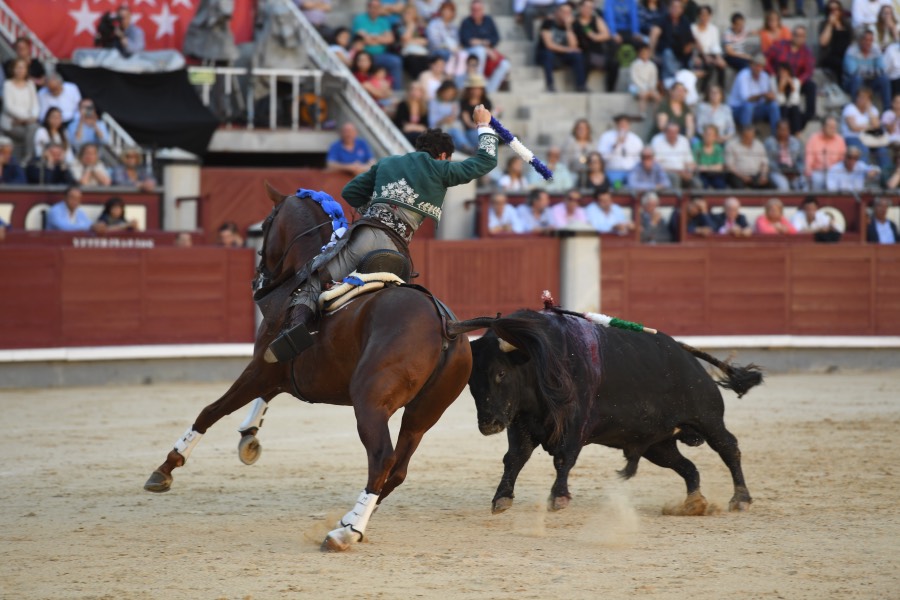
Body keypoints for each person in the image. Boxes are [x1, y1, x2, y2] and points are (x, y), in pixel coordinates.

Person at [265, 107, 500, 363]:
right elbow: (486, 161)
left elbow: (351, 192)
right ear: (443, 155)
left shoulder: (387, 163)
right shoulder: (441, 169)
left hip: (367, 238)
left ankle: (294, 334)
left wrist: (374, 206)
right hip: (398, 255)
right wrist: (484, 126)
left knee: (312, 278)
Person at [766, 26, 816, 131]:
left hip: (796, 80)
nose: (799, 38)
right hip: (778, 78)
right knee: (785, 103)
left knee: (811, 86)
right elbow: (766, 58)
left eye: (802, 36)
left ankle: (809, 114)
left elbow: (809, 71)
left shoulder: (807, 52)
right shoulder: (780, 45)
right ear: (792, 35)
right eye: (797, 35)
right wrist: (773, 74)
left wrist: (798, 81)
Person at [459, 0, 510, 93]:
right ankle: (478, 80)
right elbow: (467, 40)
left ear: (482, 10)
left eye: (478, 10)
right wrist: (483, 44)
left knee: (505, 64)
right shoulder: (466, 22)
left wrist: (483, 45)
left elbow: (496, 38)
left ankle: (489, 90)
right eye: (473, 10)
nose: (476, 12)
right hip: (471, 53)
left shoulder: (488, 20)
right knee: (480, 51)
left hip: (489, 52)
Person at [352, 0, 404, 91]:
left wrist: (372, 37)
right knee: (365, 61)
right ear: (368, 8)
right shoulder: (359, 19)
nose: (375, 10)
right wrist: (380, 38)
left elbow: (390, 39)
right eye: (373, 7)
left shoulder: (383, 21)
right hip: (366, 54)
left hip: (381, 54)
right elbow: (362, 39)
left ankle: (397, 92)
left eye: (377, 8)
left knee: (396, 61)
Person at [537, 3, 587, 93]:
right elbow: (549, 45)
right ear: (557, 12)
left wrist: (568, 27)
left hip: (562, 56)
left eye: (569, 12)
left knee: (578, 56)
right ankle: (550, 85)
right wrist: (568, 50)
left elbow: (574, 46)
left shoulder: (572, 25)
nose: (566, 14)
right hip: (547, 54)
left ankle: (581, 86)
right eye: (564, 12)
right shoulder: (548, 23)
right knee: (548, 54)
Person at [842, 87, 891, 172]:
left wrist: (868, 110)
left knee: (882, 148)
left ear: (869, 100)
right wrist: (869, 126)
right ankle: (861, 174)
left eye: (865, 97)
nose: (861, 99)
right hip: (852, 137)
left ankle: (886, 173)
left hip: (868, 137)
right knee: (864, 149)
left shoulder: (872, 110)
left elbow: (876, 126)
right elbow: (853, 128)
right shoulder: (850, 108)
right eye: (860, 97)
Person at [728, 55, 780, 133]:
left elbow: (766, 98)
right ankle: (745, 134)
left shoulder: (765, 76)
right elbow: (746, 99)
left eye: (761, 67)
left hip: (755, 109)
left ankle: (776, 136)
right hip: (737, 110)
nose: (758, 69)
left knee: (773, 105)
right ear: (751, 65)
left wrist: (770, 97)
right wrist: (762, 95)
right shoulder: (743, 75)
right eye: (756, 65)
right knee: (748, 106)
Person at [574, 0, 618, 92]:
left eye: (590, 8)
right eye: (585, 7)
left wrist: (595, 36)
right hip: (582, 54)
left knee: (614, 63)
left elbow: (606, 34)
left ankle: (610, 90)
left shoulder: (596, 20)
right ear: (580, 8)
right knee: (583, 58)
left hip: (596, 55)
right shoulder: (574, 21)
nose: (588, 10)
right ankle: (581, 86)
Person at [1, 58, 39, 162]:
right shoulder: (7, 85)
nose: (20, 70)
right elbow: (9, 107)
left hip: (27, 123)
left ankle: (28, 157)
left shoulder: (30, 84)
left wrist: (31, 118)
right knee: (33, 130)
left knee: (33, 128)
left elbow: (35, 105)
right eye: (18, 67)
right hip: (11, 123)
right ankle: (29, 157)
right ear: (13, 69)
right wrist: (27, 118)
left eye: (23, 68)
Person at [844, 29, 891, 109]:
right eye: (865, 40)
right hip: (851, 82)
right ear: (860, 40)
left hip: (870, 82)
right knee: (857, 79)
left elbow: (882, 69)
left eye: (870, 40)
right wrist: (873, 72)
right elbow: (853, 72)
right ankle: (855, 108)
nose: (868, 43)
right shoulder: (851, 51)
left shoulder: (875, 50)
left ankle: (887, 110)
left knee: (884, 79)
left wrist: (868, 73)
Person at [651, 0, 694, 80]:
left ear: (682, 10)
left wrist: (689, 46)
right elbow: (654, 32)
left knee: (692, 58)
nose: (675, 9)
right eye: (673, 7)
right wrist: (652, 52)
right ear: (669, 8)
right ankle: (677, 78)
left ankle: (683, 77)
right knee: (667, 53)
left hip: (681, 52)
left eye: (678, 7)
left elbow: (691, 39)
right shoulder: (663, 19)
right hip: (666, 50)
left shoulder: (685, 21)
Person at [597, 114, 644, 185]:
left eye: (625, 124)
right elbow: (602, 157)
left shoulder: (636, 139)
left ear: (629, 125)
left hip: (631, 171)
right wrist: (615, 145)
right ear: (616, 124)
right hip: (614, 170)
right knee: (617, 186)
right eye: (621, 124)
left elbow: (640, 157)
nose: (623, 126)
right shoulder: (606, 137)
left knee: (634, 185)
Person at [805, 115, 847, 190]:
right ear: (823, 127)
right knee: (817, 180)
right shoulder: (814, 139)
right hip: (818, 171)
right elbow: (809, 159)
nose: (833, 129)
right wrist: (808, 172)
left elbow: (843, 160)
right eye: (830, 127)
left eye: (834, 127)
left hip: (835, 172)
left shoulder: (840, 140)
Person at [690, 5, 726, 92]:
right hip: (698, 54)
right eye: (702, 14)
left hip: (711, 53)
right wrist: (701, 57)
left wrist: (718, 58)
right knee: (709, 66)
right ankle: (703, 91)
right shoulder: (693, 28)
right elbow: (694, 45)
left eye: (706, 15)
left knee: (722, 66)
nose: (704, 17)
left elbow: (715, 45)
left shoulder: (714, 29)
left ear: (710, 16)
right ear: (698, 16)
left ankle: (721, 91)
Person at [650, 122, 695, 189]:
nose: (672, 134)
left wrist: (689, 171)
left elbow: (690, 162)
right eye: (670, 132)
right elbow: (654, 164)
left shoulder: (684, 140)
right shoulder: (657, 140)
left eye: (675, 132)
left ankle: (697, 199)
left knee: (696, 183)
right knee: (675, 178)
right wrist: (678, 172)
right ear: (665, 132)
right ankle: (677, 199)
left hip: (683, 172)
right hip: (665, 173)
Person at [765, 120, 806, 192]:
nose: (783, 132)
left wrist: (797, 172)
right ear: (776, 130)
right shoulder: (769, 142)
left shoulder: (795, 142)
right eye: (781, 129)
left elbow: (801, 160)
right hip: (777, 171)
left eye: (785, 129)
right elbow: (769, 161)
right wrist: (783, 172)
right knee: (784, 186)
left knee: (804, 185)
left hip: (793, 172)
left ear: (789, 130)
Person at [819, 0, 853, 84]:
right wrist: (830, 24)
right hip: (830, 55)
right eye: (831, 9)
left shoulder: (846, 24)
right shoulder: (824, 24)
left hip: (847, 54)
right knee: (839, 63)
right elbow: (823, 43)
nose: (834, 12)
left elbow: (853, 40)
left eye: (836, 9)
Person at [395, 4, 432, 79]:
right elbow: (404, 39)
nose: (408, 15)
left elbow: (425, 41)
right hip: (405, 53)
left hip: (420, 52)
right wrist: (410, 26)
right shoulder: (398, 26)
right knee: (413, 61)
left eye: (410, 13)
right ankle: (417, 82)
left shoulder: (420, 27)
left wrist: (410, 41)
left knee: (425, 61)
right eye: (406, 13)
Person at [458, 74, 493, 152]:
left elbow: (489, 117)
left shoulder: (486, 102)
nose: (475, 91)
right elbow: (466, 119)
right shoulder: (464, 103)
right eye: (473, 89)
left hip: (482, 128)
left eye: (477, 89)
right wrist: (477, 126)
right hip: (469, 130)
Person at [771, 63, 804, 135]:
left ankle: (797, 134)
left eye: (784, 71)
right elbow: (778, 100)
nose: (782, 74)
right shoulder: (773, 80)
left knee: (795, 109)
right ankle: (783, 133)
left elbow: (795, 100)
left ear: (789, 72)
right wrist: (781, 86)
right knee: (784, 108)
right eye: (780, 71)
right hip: (779, 106)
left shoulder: (795, 81)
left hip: (791, 107)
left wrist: (791, 86)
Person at [628, 43, 661, 109]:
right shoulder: (634, 65)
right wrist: (643, 88)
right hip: (636, 87)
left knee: (657, 96)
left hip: (649, 87)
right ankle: (642, 114)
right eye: (643, 52)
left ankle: (656, 114)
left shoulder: (652, 65)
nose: (645, 54)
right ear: (639, 53)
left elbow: (654, 78)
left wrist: (651, 87)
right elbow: (634, 78)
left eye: (647, 52)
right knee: (643, 96)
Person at [693, 124, 726, 189]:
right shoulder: (696, 146)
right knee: (701, 184)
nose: (707, 136)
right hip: (701, 175)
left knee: (721, 185)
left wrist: (704, 167)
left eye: (710, 135)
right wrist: (710, 167)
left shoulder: (718, 148)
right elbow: (694, 165)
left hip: (715, 174)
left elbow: (719, 167)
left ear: (715, 137)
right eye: (705, 134)